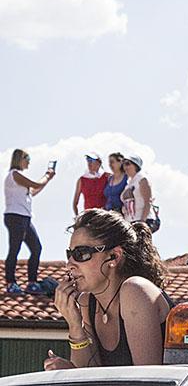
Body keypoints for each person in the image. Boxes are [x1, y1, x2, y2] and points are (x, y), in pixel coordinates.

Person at [44, 209, 173, 369]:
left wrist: (72, 372)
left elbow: (146, 378)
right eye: (69, 254)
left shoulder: (135, 291)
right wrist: (75, 326)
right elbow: (88, 373)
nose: (69, 264)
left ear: (114, 256)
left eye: (81, 253)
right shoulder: (87, 302)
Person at [4, 149, 55, 295]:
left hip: (25, 218)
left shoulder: (19, 178)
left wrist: (47, 180)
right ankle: (11, 283)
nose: (29, 162)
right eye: (27, 159)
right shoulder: (15, 174)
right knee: (15, 249)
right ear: (20, 159)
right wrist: (47, 175)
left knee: (36, 248)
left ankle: (32, 282)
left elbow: (33, 191)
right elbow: (35, 184)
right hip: (15, 216)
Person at [72, 152, 109, 217]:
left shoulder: (107, 177)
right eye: (88, 160)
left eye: (92, 160)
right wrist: (77, 217)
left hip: (104, 216)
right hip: (89, 216)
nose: (89, 163)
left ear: (99, 163)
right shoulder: (82, 180)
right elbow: (75, 203)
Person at [119, 155, 151, 223]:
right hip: (130, 221)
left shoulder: (142, 179)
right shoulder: (129, 183)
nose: (125, 167)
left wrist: (142, 222)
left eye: (127, 164)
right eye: (123, 164)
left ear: (136, 166)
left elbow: (148, 202)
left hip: (142, 220)